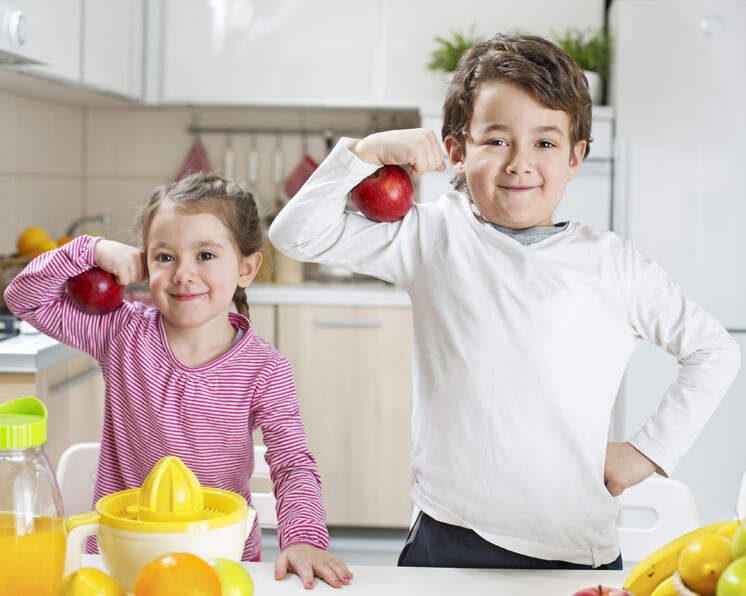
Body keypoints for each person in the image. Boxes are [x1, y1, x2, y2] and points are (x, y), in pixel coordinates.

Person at [268, 33, 741, 570]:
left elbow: (714, 351)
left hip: (573, 546)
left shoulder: (614, 263)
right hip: (445, 535)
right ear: (456, 153)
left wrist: (649, 450)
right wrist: (365, 153)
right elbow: (296, 236)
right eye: (496, 141)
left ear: (575, 158)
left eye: (545, 143)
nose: (520, 163)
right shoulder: (432, 236)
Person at [4, 174, 352, 590]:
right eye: (165, 257)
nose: (183, 274)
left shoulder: (265, 369)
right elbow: (22, 298)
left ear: (246, 267)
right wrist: (90, 248)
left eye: (205, 255)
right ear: (143, 262)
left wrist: (304, 541)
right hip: (121, 556)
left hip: (221, 558)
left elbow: (293, 465)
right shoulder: (120, 332)